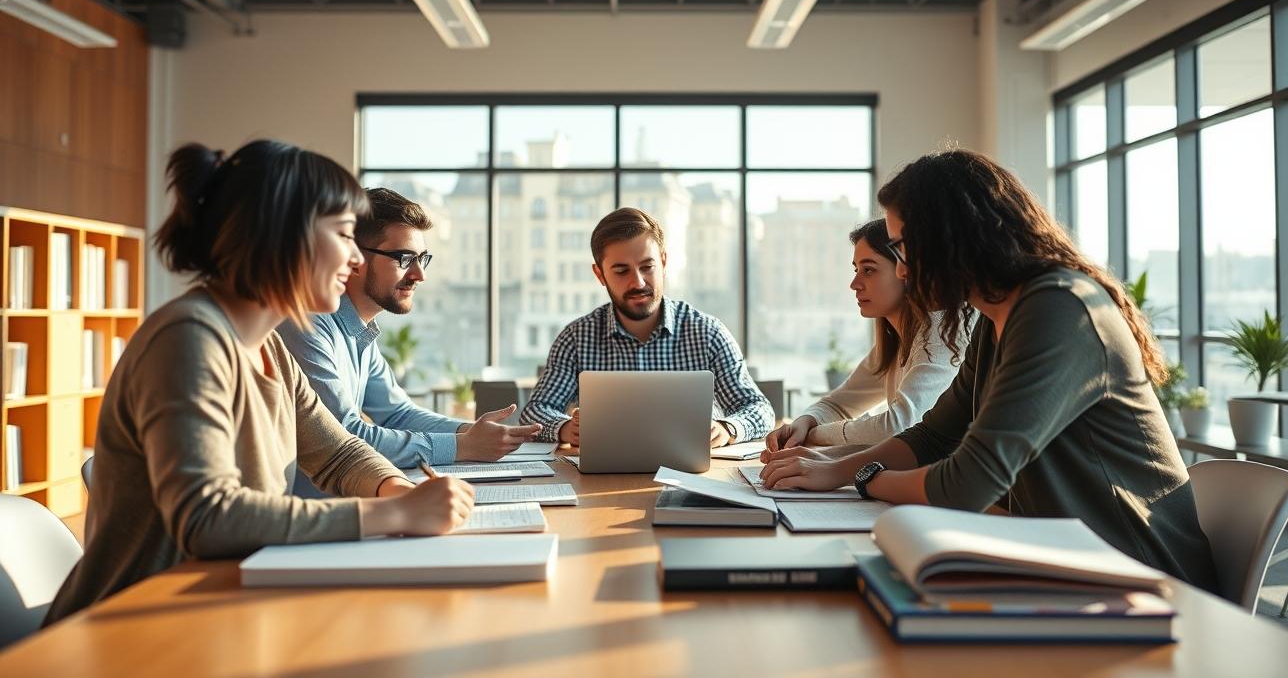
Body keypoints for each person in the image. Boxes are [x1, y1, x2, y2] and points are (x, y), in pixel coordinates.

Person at [44, 141, 476, 623]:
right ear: (285, 237)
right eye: (343, 236)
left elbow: (338, 452)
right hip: (135, 625)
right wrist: (394, 515)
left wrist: (399, 491)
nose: (355, 260)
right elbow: (209, 518)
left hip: (222, 605)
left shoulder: (268, 345)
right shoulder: (190, 340)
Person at [760, 149, 1218, 590]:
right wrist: (833, 468)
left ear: (950, 237)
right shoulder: (998, 316)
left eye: (903, 249)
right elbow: (934, 436)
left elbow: (967, 482)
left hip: (1139, 574)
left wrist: (863, 479)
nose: (901, 273)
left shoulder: (1059, 309)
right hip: (1064, 556)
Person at [278, 187, 539, 471]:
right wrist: (463, 446)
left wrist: (471, 431)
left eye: (422, 258)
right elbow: (345, 436)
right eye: (404, 259)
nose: (419, 275)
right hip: (319, 510)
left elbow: (399, 413)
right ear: (353, 258)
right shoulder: (309, 325)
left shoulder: (361, 334)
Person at [518, 207, 773, 446]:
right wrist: (565, 429)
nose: (638, 282)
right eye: (621, 271)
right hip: (602, 483)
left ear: (663, 262)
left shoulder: (708, 332)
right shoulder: (576, 338)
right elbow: (534, 411)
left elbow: (758, 409)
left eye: (647, 266)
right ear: (600, 275)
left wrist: (727, 428)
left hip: (696, 478)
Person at [765, 219, 961, 449]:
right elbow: (839, 404)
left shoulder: (940, 334)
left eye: (869, 270)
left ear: (905, 271)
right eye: (856, 269)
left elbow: (900, 426)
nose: (854, 284)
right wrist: (805, 422)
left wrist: (814, 436)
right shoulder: (893, 343)